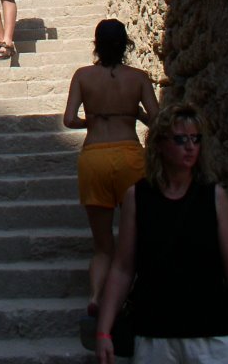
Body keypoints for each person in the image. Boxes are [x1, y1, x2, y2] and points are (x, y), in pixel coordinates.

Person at [96, 103, 228, 364]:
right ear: (160, 144)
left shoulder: (214, 197)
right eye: (180, 139)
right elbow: (122, 268)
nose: (190, 146)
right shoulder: (138, 197)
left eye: (195, 139)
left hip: (214, 337)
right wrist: (104, 331)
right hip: (156, 336)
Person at [63, 19, 159, 311]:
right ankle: (139, 291)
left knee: (103, 245)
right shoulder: (139, 78)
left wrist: (90, 120)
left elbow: (69, 120)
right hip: (130, 155)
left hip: (94, 157)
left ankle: (95, 297)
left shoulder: (83, 76)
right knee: (140, 233)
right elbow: (158, 118)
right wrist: (135, 116)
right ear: (126, 44)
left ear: (97, 45)